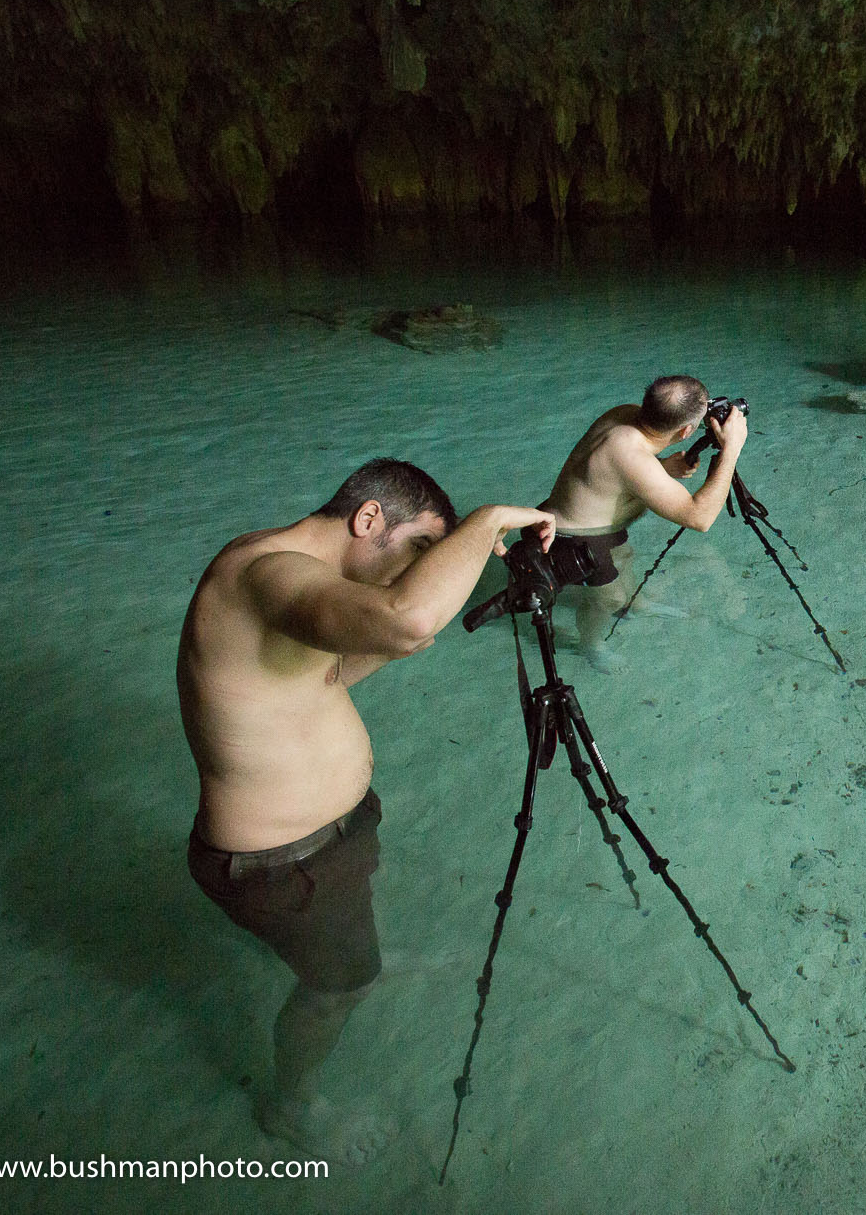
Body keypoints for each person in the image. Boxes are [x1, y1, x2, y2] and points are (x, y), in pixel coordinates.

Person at [176, 457, 554, 1163]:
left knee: (355, 943)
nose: (414, 569)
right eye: (418, 547)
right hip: (279, 864)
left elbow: (330, 669)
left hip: (328, 841)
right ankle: (291, 1105)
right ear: (369, 518)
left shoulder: (302, 582)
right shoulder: (266, 574)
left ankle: (367, 955)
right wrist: (488, 521)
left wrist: (409, 620)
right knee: (335, 989)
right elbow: (405, 616)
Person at [539, 374, 748, 670]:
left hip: (591, 522)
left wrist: (662, 468)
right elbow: (700, 518)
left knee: (624, 559)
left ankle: (637, 603)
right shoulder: (635, 460)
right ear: (688, 430)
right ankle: (591, 645)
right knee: (606, 600)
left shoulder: (623, 414)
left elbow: (610, 472)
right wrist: (732, 449)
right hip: (572, 537)